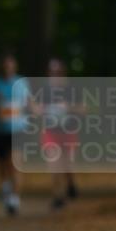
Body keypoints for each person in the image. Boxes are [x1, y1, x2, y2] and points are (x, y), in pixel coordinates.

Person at [0, 53, 30, 215]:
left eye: (11, 64)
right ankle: (6, 191)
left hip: (18, 129)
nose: (8, 68)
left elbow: (30, 103)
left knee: (15, 163)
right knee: (2, 164)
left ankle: (14, 199)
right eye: (5, 65)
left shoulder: (22, 83)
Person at [40, 58, 78, 210]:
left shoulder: (71, 89)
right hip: (51, 131)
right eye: (52, 72)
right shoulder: (45, 91)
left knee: (67, 164)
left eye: (57, 72)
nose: (54, 75)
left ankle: (70, 184)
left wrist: (69, 107)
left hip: (68, 131)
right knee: (54, 164)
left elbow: (84, 108)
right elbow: (39, 109)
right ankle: (58, 197)